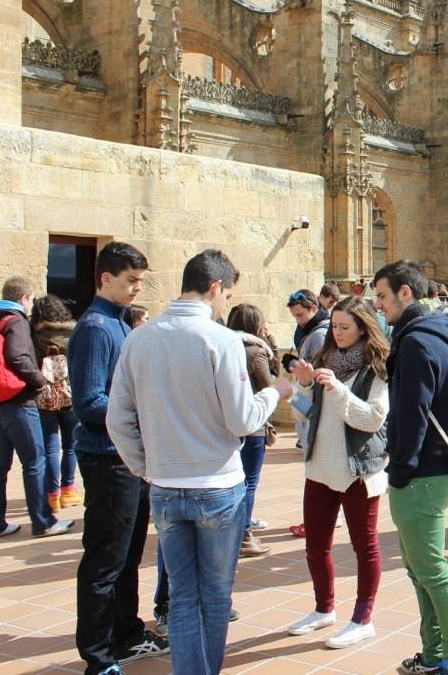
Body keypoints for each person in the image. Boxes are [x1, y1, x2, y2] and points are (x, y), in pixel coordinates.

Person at [107, 249, 290, 675]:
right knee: (215, 595)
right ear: (215, 288)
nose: (226, 302)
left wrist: (146, 467)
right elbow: (243, 419)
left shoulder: (139, 338)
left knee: (185, 597)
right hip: (216, 486)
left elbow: (118, 419)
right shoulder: (221, 340)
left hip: (167, 486)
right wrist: (274, 392)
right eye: (227, 294)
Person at [69, 242, 166, 674]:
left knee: (127, 556)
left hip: (128, 457)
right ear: (105, 279)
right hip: (108, 459)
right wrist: (141, 412)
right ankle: (98, 655)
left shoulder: (119, 324)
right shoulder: (95, 327)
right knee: (105, 560)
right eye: (130, 281)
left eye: (140, 281)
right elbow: (90, 401)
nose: (136, 289)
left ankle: (126, 634)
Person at [373, 260, 448, 675]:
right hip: (433, 466)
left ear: (405, 293)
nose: (377, 305)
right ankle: (434, 654)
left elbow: (412, 413)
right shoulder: (438, 334)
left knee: (430, 569)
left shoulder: (415, 342)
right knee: (419, 569)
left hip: (422, 472)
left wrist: (400, 469)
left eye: (381, 296)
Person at [285, 296, 390, 649]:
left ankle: (363, 618)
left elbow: (372, 418)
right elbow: (305, 415)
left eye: (346, 327)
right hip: (319, 467)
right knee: (316, 545)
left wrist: (338, 389)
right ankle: (323, 608)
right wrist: (303, 386)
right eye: (335, 326)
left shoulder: (377, 368)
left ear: (363, 328)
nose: (338, 333)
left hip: (358, 470)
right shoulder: (324, 360)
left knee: (365, 546)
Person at [0, 277, 74, 539]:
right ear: (24, 298)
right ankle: (43, 522)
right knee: (35, 462)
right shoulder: (16, 321)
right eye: (30, 300)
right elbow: (18, 356)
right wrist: (40, 382)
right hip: (19, 403)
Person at [227, 303, 280, 558]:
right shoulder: (256, 352)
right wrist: (272, 346)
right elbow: (271, 384)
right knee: (248, 482)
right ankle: (244, 535)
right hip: (252, 424)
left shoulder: (223, 345)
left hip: (227, 423)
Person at [30, 294, 82, 510]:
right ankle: (68, 490)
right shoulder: (75, 332)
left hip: (44, 397)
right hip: (70, 395)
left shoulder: (33, 334)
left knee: (50, 447)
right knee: (71, 445)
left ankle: (52, 495)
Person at [288, 289, 331, 451]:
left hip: (315, 404)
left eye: (300, 315)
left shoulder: (319, 335)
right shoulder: (310, 331)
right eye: (295, 316)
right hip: (307, 399)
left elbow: (322, 376)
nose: (298, 321)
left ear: (313, 308)